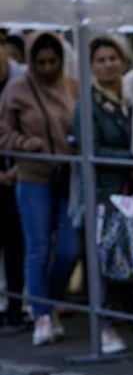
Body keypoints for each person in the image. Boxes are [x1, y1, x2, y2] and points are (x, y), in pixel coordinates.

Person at [70, 36, 133, 354]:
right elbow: (91, 149)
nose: (108, 65)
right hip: (103, 191)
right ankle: (105, 325)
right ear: (91, 66)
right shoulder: (86, 104)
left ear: (123, 61)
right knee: (104, 258)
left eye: (113, 58)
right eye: (101, 60)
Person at [0, 32, 80, 346]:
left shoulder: (72, 86)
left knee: (69, 248)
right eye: (41, 62)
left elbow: (82, 124)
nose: (47, 68)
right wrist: (24, 144)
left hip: (68, 176)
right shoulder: (17, 89)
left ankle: (51, 299)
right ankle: (41, 314)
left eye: (53, 61)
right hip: (33, 177)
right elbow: (3, 132)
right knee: (37, 247)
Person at [0, 42, 27, 333]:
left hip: (23, 172)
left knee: (17, 243)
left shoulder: (21, 80)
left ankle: (18, 306)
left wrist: (20, 168)